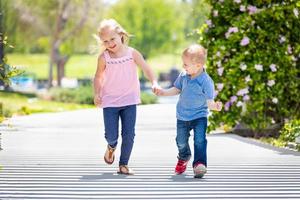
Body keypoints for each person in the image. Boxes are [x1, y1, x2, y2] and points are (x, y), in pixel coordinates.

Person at [93, 19, 159, 175]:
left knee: (129, 134)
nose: (110, 43)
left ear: (120, 35)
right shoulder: (104, 58)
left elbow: (146, 68)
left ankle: (123, 164)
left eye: (112, 39)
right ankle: (111, 146)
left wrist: (154, 82)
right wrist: (97, 93)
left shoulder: (132, 53)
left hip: (130, 100)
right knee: (111, 135)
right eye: (105, 41)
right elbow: (98, 77)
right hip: (109, 101)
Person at [154, 44, 222, 178]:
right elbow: (176, 89)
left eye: (186, 64)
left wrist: (215, 106)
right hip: (182, 116)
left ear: (198, 66)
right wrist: (163, 92)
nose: (183, 66)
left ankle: (199, 164)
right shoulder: (184, 76)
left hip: (199, 116)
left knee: (200, 140)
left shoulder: (206, 81)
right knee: (180, 141)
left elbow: (209, 102)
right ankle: (184, 156)